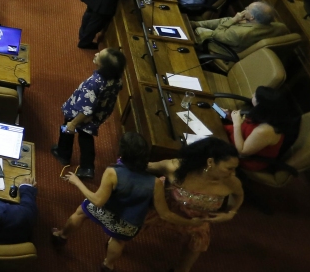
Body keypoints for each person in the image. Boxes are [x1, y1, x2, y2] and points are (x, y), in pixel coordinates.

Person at [52, 133, 176, 271]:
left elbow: (98, 201)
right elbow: (165, 214)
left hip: (104, 211)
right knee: (118, 240)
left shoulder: (113, 172)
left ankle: (61, 236)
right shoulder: (156, 182)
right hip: (128, 224)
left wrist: (77, 182)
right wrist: (191, 222)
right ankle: (108, 265)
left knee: (81, 212)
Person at [147, 138, 243, 272]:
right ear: (210, 162)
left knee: (198, 243)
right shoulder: (177, 168)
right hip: (167, 208)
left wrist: (231, 213)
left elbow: (239, 195)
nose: (233, 173)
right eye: (229, 168)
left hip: (198, 220)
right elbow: (146, 166)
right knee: (131, 221)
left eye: (235, 169)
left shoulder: (231, 182)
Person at [52, 48, 127, 179]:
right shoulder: (117, 78)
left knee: (66, 129)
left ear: (103, 65)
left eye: (99, 55)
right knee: (86, 136)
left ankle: (63, 154)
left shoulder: (94, 83)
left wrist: (73, 123)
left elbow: (86, 109)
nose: (96, 54)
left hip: (79, 114)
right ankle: (87, 168)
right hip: (99, 113)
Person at [224, 86, 293, 171]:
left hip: (248, 159)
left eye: (255, 96)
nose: (253, 95)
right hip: (241, 137)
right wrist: (234, 118)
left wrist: (237, 124)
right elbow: (249, 125)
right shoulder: (270, 114)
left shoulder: (265, 131)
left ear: (262, 105)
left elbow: (241, 151)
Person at [193, 2, 287, 53]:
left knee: (197, 31)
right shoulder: (280, 27)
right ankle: (196, 23)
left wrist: (234, 20)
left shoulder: (240, 33)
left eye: (247, 9)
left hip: (220, 47)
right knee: (226, 20)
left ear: (252, 17)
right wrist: (233, 20)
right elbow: (225, 21)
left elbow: (216, 34)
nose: (245, 8)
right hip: (233, 38)